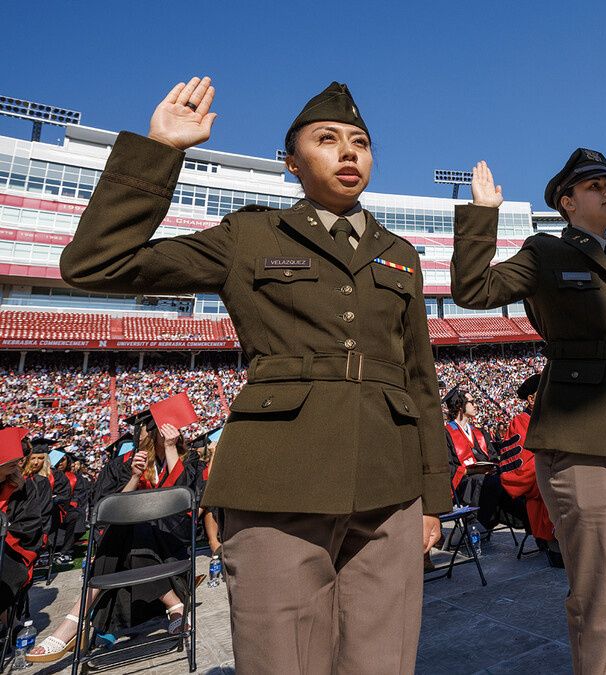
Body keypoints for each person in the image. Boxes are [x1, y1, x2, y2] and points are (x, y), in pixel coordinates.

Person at [57, 77, 447, 674]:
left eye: (360, 142)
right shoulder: (251, 236)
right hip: (278, 486)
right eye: (327, 139)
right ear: (291, 162)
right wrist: (162, 152)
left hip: (391, 491)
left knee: (385, 663)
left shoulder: (401, 254)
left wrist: (431, 499)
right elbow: (96, 263)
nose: (349, 152)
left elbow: (419, 378)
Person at [451, 150, 606, 674]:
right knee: (601, 597)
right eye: (593, 185)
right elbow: (473, 290)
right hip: (582, 436)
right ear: (566, 201)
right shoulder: (544, 253)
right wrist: (481, 215)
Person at [28, 413, 204, 663]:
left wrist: (171, 447)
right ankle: (174, 605)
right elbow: (112, 508)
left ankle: (74, 620)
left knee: (128, 532)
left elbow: (179, 495)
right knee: (128, 528)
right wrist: (134, 477)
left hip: (171, 533)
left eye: (170, 432)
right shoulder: (132, 463)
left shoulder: (190, 457)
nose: (165, 436)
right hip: (138, 540)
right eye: (161, 433)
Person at [444, 387, 526, 531]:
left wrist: (493, 467)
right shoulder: (446, 434)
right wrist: (472, 471)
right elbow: (447, 468)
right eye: (472, 402)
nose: (476, 405)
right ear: (460, 406)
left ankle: (529, 520)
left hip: (487, 478)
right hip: (466, 482)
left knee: (508, 480)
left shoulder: (479, 433)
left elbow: (494, 456)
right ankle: (483, 524)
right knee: (496, 484)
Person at [502, 373, 562, 568]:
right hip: (542, 487)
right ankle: (555, 549)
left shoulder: (554, 416)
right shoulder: (520, 422)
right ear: (531, 398)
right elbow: (522, 468)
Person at [0, 427, 50, 619]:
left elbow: (29, 526)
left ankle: (8, 621)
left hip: (12, 550)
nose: (19, 459)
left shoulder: (24, 486)